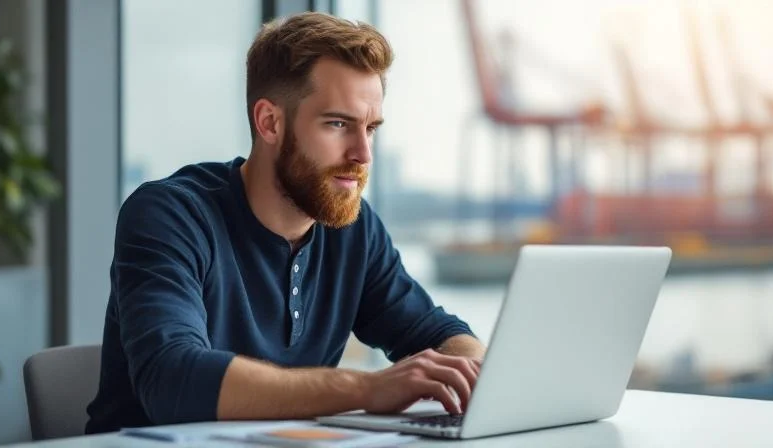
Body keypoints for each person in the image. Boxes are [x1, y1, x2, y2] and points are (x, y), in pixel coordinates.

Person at [85, 11, 485, 434]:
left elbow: (438, 333)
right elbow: (173, 381)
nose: (363, 154)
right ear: (269, 122)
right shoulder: (170, 215)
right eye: (338, 124)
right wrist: (367, 389)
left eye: (370, 128)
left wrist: (472, 373)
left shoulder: (352, 227)